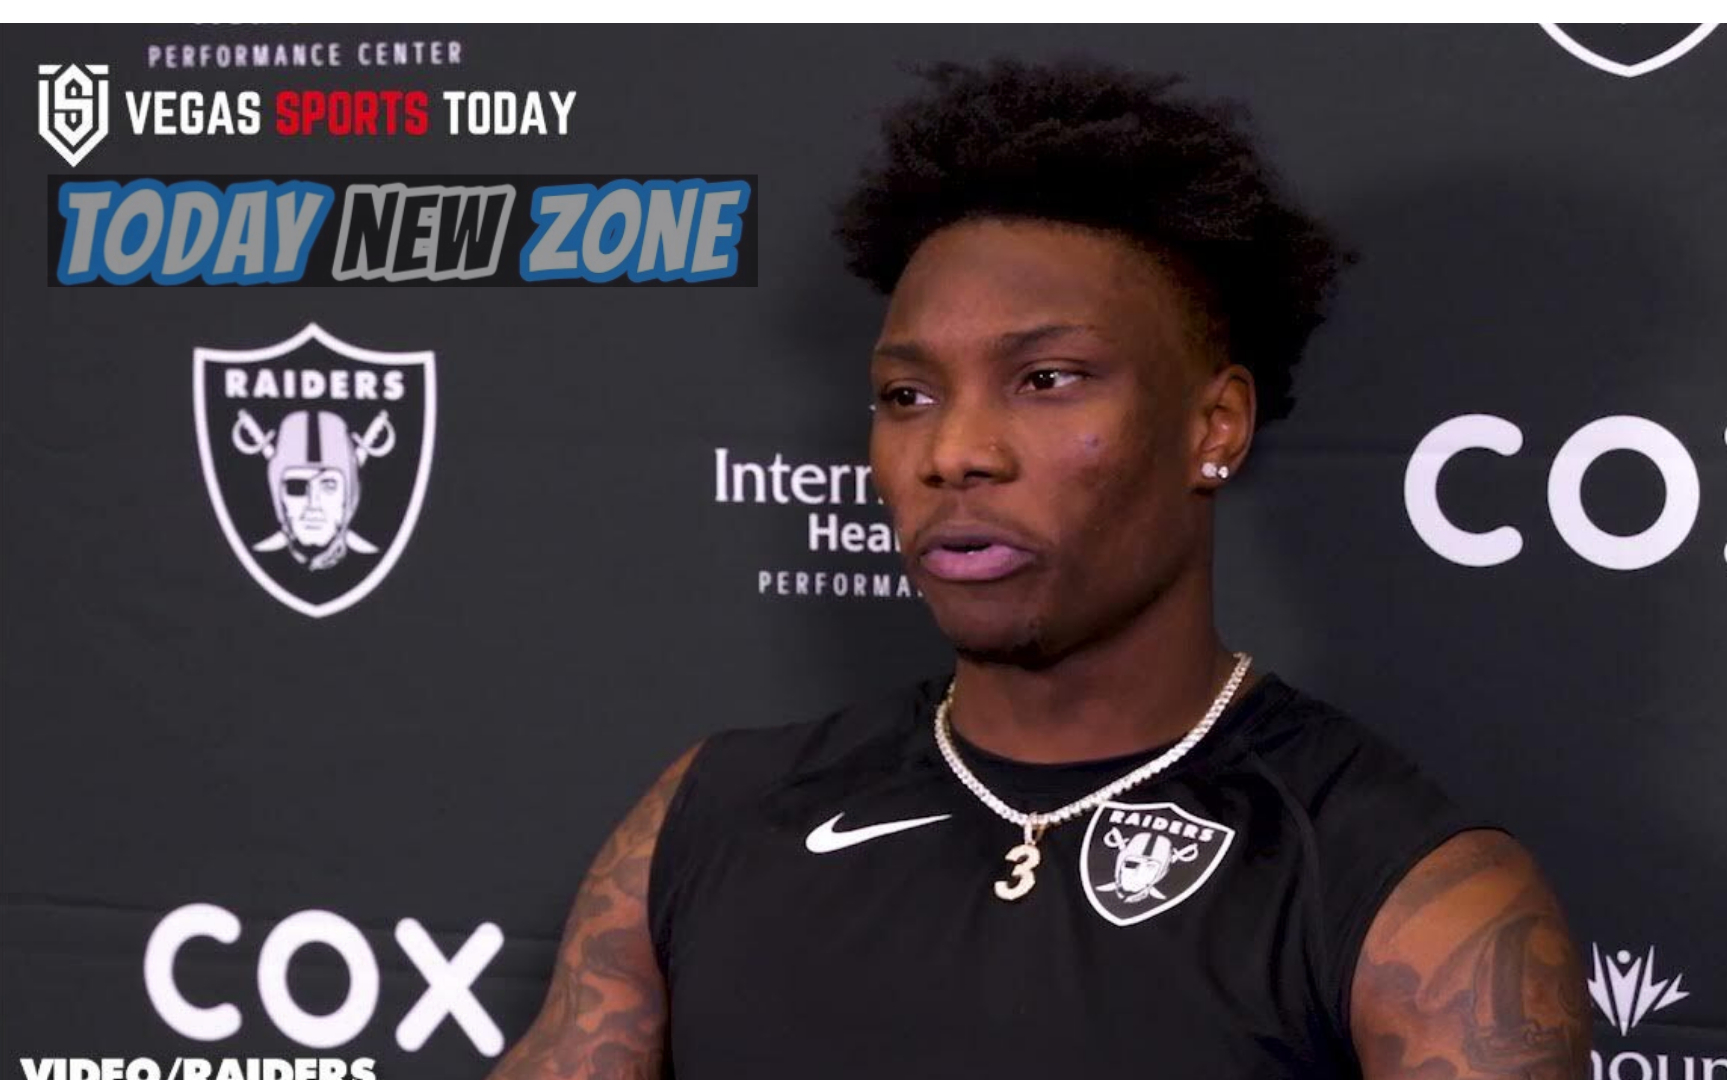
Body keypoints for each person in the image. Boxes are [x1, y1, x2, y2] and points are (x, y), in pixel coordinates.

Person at [490, 55, 1591, 1080]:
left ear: (1214, 426)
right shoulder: (714, 814)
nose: (956, 451)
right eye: (907, 395)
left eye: (1047, 379)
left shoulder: (1412, 901)